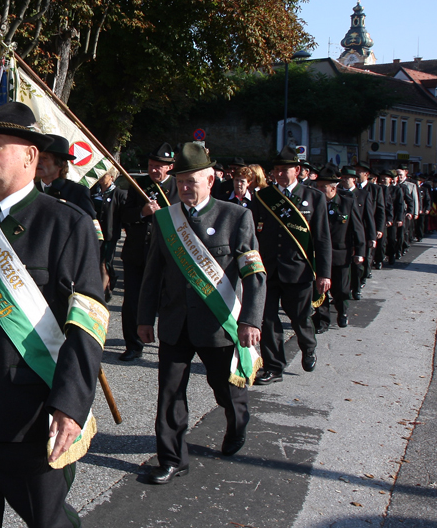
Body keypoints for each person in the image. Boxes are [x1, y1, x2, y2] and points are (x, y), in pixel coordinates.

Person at [0, 102, 107, 528]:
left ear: (30, 156)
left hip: (25, 417)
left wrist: (70, 405)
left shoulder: (67, 224)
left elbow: (87, 323)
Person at [137, 142, 266, 484]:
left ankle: (237, 422)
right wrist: (144, 318)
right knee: (170, 393)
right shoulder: (166, 220)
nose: (185, 188)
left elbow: (254, 273)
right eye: (180, 181)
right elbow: (153, 274)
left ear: (211, 180)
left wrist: (251, 320)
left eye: (192, 181)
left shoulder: (236, 216)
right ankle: (172, 459)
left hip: (218, 323)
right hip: (176, 322)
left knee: (225, 389)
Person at [251, 147, 331, 385]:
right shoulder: (264, 197)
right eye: (276, 170)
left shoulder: (314, 197)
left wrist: (324, 273)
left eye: (284, 170)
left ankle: (308, 346)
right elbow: (253, 233)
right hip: (268, 268)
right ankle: (274, 367)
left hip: (298, 270)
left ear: (297, 170)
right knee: (267, 318)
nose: (279, 174)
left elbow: (322, 239)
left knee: (300, 317)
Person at [117, 143, 178, 361]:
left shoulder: (179, 186)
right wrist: (142, 212)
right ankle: (133, 345)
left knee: (168, 300)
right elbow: (124, 214)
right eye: (152, 165)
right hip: (137, 252)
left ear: (169, 167)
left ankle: (169, 342)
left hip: (167, 254)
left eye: (159, 166)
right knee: (133, 301)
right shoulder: (138, 185)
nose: (154, 170)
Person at [310, 165, 365, 332]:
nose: (319, 190)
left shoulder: (347, 203)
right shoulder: (312, 203)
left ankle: (342, 311)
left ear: (333, 188)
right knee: (321, 290)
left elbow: (357, 228)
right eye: (318, 186)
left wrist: (360, 251)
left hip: (340, 254)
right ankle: (323, 320)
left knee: (340, 289)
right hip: (318, 254)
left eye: (323, 187)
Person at [36, 134, 96, 219]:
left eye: (45, 158)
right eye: (37, 157)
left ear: (61, 164)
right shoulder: (29, 189)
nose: (38, 162)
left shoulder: (78, 192)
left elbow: (89, 227)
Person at [93, 167, 126, 303]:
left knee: (104, 263)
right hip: (94, 233)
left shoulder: (119, 194)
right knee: (95, 262)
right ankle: (105, 287)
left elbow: (123, 215)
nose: (101, 177)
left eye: (104, 175)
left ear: (111, 177)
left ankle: (100, 293)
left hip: (109, 235)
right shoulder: (93, 192)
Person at [348, 164, 381, 299]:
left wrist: (373, 235)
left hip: (361, 233)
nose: (344, 180)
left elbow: (370, 216)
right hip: (344, 235)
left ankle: (357, 287)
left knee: (360, 263)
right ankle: (345, 290)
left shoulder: (366, 193)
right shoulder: (339, 193)